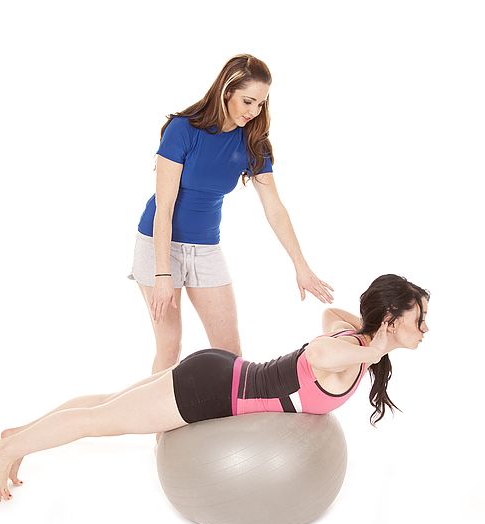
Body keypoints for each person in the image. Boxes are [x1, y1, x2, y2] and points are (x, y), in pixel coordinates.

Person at [0, 275, 429, 501]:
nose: (425, 328)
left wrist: (377, 335)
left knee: (108, 403)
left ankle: (20, 437)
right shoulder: (348, 355)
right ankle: (3, 452)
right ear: (393, 316)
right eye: (418, 318)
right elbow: (317, 351)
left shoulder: (356, 344)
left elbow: (331, 315)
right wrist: (376, 347)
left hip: (218, 374)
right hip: (211, 389)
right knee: (102, 420)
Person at [130, 54, 334, 373]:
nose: (253, 112)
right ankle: (159, 424)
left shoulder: (253, 144)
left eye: (261, 104)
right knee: (170, 349)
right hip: (158, 243)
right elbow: (164, 208)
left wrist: (301, 266)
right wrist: (162, 274)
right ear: (227, 91)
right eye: (248, 101)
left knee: (230, 355)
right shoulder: (182, 130)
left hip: (205, 248)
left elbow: (275, 209)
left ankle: (225, 421)